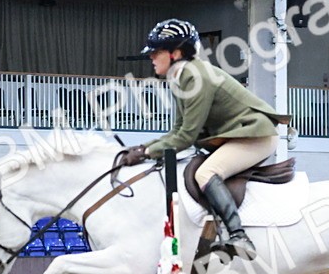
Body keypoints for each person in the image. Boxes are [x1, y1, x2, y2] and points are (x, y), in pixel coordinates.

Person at [122, 19, 290, 261]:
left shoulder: (194, 75)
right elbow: (177, 130)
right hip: (236, 136)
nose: (151, 58)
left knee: (205, 173)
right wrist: (143, 147)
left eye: (156, 52)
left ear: (176, 53)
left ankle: (239, 235)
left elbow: (186, 137)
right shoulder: (180, 77)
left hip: (254, 136)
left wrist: (148, 154)